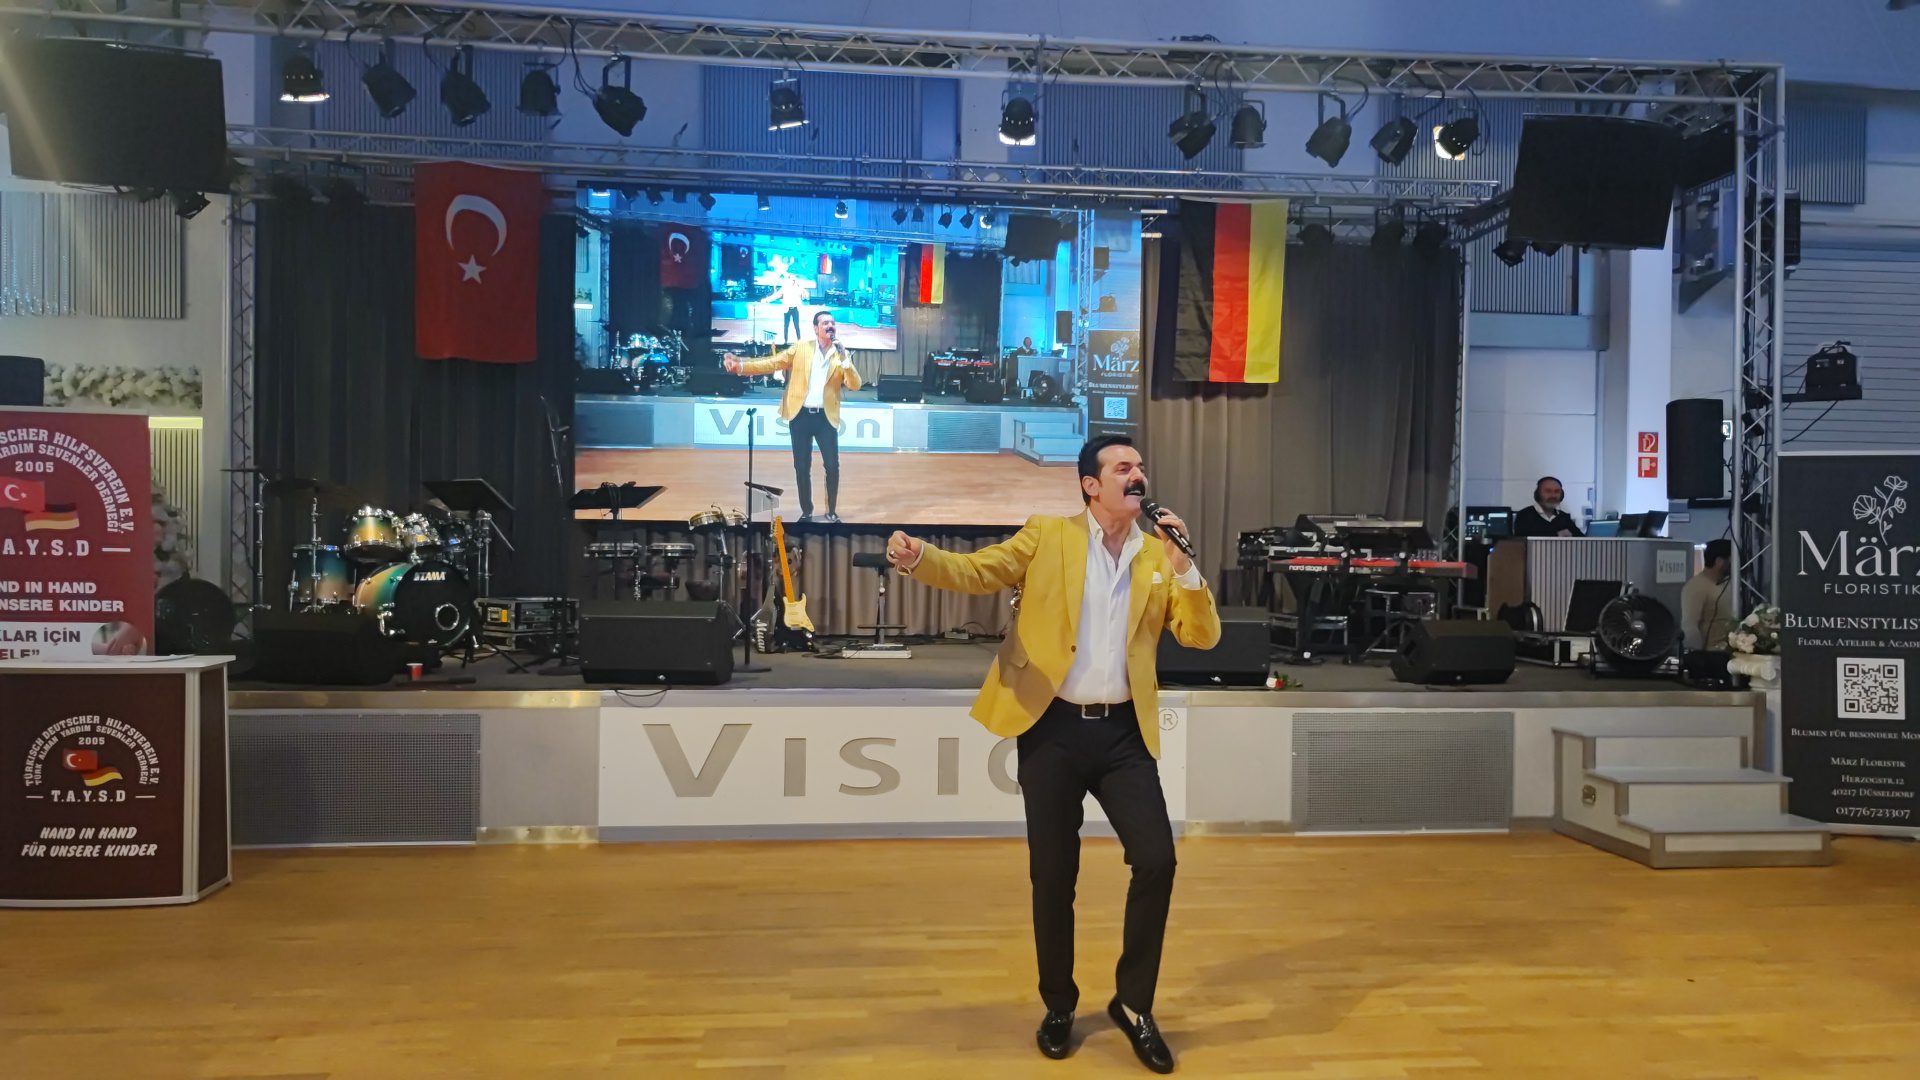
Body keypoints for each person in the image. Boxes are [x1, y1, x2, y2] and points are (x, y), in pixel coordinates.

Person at [885, 435, 1221, 1074]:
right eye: (1124, 468)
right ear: (1091, 485)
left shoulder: (1158, 554)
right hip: (1053, 729)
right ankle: (1059, 1004)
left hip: (1124, 736)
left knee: (1157, 860)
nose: (1138, 476)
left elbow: (1201, 636)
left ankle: (1133, 1004)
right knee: (1054, 875)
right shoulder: (1048, 534)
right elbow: (978, 571)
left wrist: (1185, 567)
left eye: (1141, 467)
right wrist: (920, 557)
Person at [724, 311, 862, 523]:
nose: (830, 326)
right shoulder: (801, 348)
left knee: (832, 466)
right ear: (816, 328)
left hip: (826, 418)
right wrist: (741, 366)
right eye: (825, 323)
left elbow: (855, 385)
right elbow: (772, 363)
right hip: (801, 416)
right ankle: (807, 511)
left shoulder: (841, 354)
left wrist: (844, 358)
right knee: (801, 467)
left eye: (832, 323)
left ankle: (831, 511)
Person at [1681, 538, 1735, 651]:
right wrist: (1698, 655)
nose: (1735, 564)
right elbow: (1690, 626)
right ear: (1719, 561)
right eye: (1732, 559)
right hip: (1712, 653)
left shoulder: (1729, 584)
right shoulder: (1696, 586)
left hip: (1732, 651)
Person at [1511, 476, 1584, 538]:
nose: (1553, 495)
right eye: (1548, 491)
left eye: (1557, 491)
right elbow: (1522, 538)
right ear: (1538, 494)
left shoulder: (1564, 517)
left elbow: (1582, 539)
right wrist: (1556, 535)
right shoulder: (1524, 515)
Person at [778, 273, 806, 343]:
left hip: (795, 309)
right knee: (786, 326)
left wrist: (803, 291)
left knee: (796, 325)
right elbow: (777, 295)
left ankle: (799, 340)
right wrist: (767, 300)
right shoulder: (785, 287)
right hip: (787, 309)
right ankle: (785, 341)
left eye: (794, 279)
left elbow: (805, 296)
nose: (793, 280)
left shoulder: (798, 288)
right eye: (791, 279)